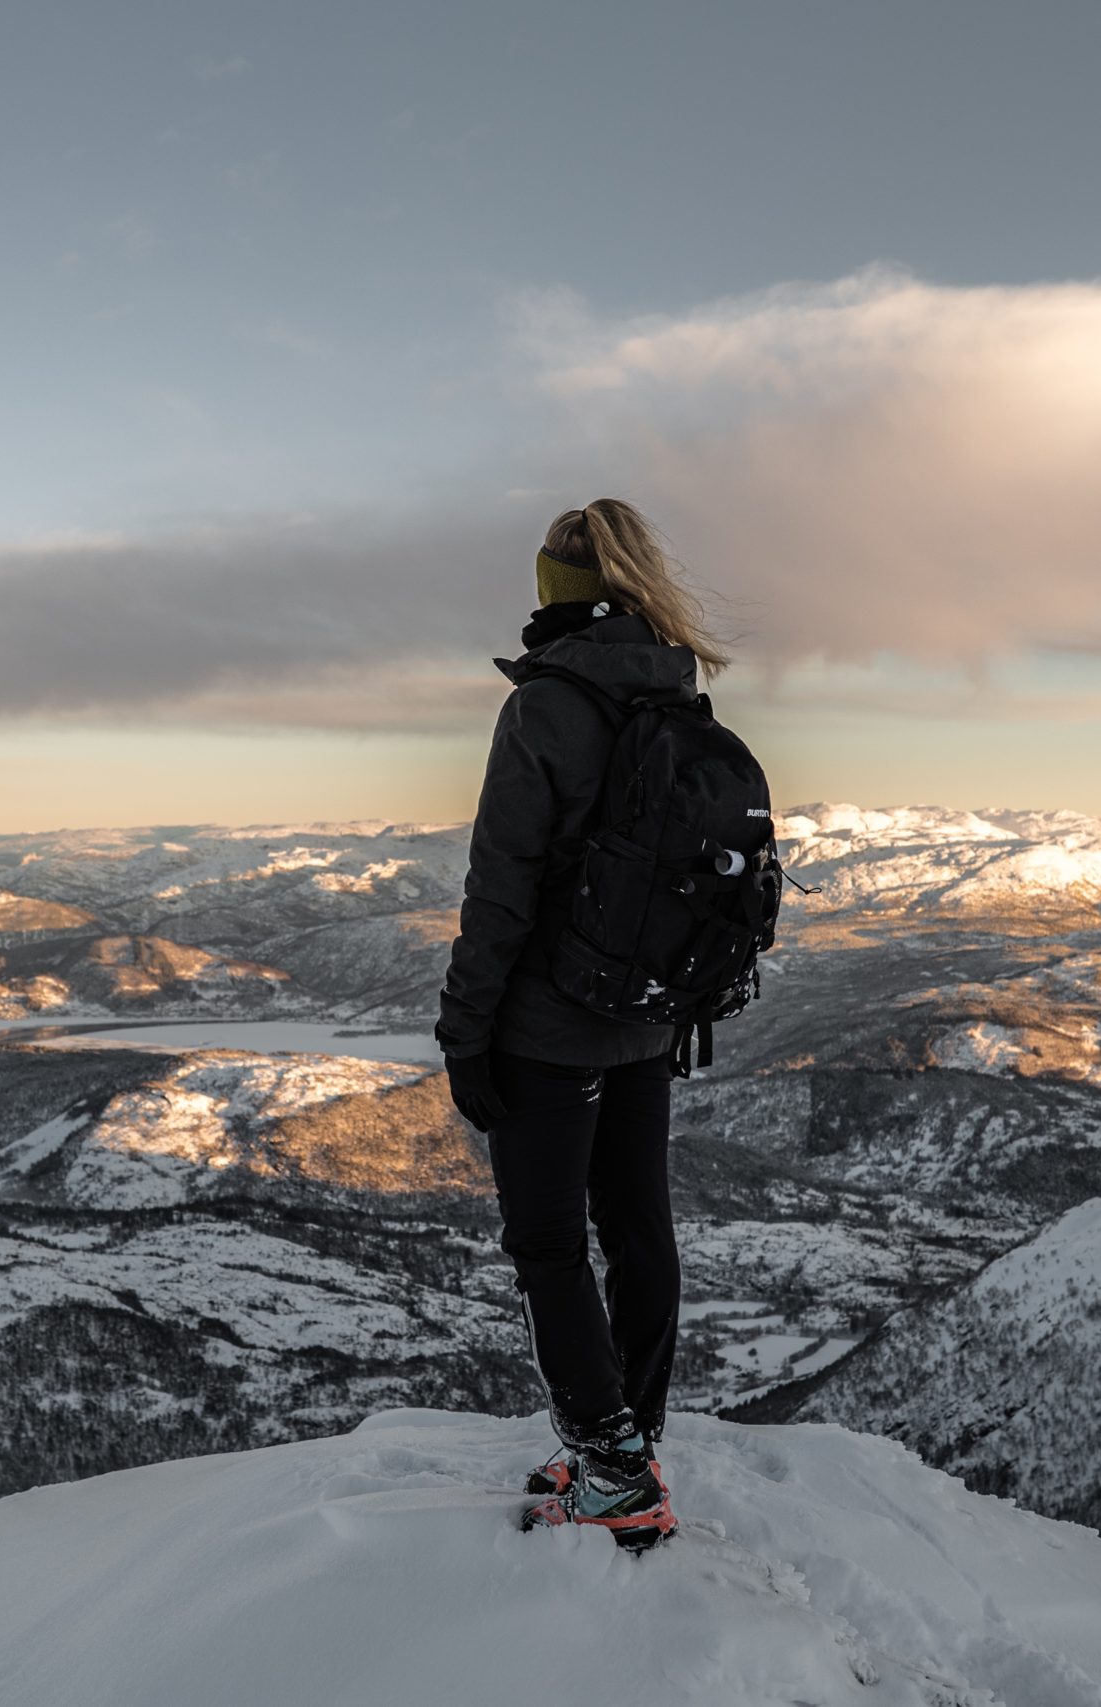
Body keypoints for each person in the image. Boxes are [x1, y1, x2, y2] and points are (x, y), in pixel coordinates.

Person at [434, 497, 734, 1550]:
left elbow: (501, 893)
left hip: (548, 1033)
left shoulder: (546, 710)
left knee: (549, 1244)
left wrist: (464, 1032)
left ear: (553, 590)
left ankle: (611, 1471)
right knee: (639, 1232)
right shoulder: (676, 691)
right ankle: (630, 1438)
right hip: (644, 1023)